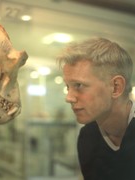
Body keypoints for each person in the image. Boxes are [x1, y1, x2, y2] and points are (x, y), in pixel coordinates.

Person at [57, 37, 135, 180]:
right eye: (67, 87)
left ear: (116, 87)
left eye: (79, 85)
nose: (68, 98)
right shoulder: (87, 137)